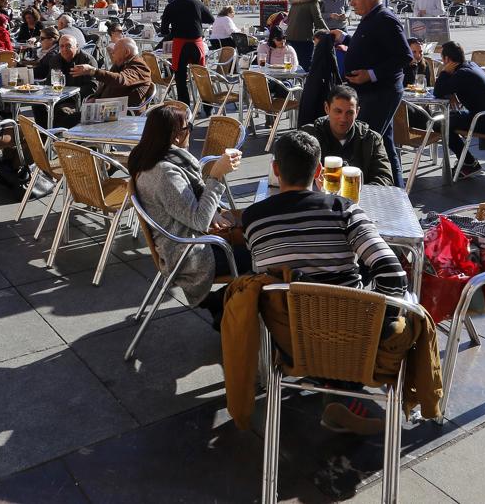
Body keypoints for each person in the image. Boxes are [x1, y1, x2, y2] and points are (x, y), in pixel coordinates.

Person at [243, 130, 408, 435]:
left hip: (291, 339)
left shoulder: (253, 219)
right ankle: (342, 391)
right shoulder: (344, 210)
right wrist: (374, 324)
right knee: (393, 308)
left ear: (276, 170)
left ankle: (332, 388)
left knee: (295, 301)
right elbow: (392, 273)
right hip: (353, 337)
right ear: (319, 172)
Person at [128, 103, 247, 312]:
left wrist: (215, 213)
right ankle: (232, 309)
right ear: (175, 136)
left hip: (186, 243)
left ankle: (225, 304)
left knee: (254, 231)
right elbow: (199, 220)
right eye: (188, 127)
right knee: (263, 252)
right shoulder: (165, 173)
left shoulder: (156, 159)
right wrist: (216, 174)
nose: (190, 131)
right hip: (191, 255)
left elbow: (193, 208)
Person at [329, 0, 412, 187]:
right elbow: (370, 44)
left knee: (367, 141)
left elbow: (404, 56)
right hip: (370, 91)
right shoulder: (371, 18)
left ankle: (366, 191)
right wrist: (345, 38)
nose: (351, 1)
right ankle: (398, 192)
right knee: (385, 142)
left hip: (381, 91)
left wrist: (371, 74)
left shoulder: (385, 18)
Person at [433, 41, 485, 179]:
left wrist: (444, 72)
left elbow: (438, 91)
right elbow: (448, 89)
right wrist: (452, 92)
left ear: (446, 59)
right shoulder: (471, 65)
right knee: (446, 117)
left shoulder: (462, 74)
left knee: (439, 123)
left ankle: (469, 163)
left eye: (443, 59)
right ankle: (467, 161)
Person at [300, 86, 394, 186]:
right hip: (317, 198)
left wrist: (357, 190)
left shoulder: (371, 139)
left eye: (349, 113)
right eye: (338, 111)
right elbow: (293, 174)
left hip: (358, 199)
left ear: (357, 112)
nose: (343, 119)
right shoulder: (308, 136)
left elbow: (385, 178)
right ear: (327, 108)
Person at [160, 0, 214, 109]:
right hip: (197, 42)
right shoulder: (197, 3)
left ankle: (184, 107)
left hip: (180, 43)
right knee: (201, 75)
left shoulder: (171, 6)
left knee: (180, 77)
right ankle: (207, 107)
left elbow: (164, 30)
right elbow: (211, 19)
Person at [33, 33, 97, 127]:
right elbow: (49, 82)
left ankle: (57, 135)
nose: (64, 49)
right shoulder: (55, 59)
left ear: (77, 47)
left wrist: (70, 94)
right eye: (61, 46)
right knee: (37, 105)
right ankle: (44, 135)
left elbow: (92, 87)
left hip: (76, 100)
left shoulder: (87, 61)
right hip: (57, 97)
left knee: (61, 111)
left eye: (68, 46)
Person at [70, 37, 153, 105]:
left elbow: (120, 80)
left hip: (125, 114)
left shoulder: (139, 66)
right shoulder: (120, 64)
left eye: (115, 51)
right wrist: (95, 97)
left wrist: (93, 71)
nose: (112, 53)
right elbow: (106, 83)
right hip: (106, 108)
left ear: (127, 52)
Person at [286, 0, 328, 72]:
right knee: (305, 64)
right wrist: (328, 33)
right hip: (304, 37)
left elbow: (288, 18)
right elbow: (318, 19)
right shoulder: (313, 1)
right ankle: (304, 84)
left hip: (290, 36)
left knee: (293, 63)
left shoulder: (296, 1)